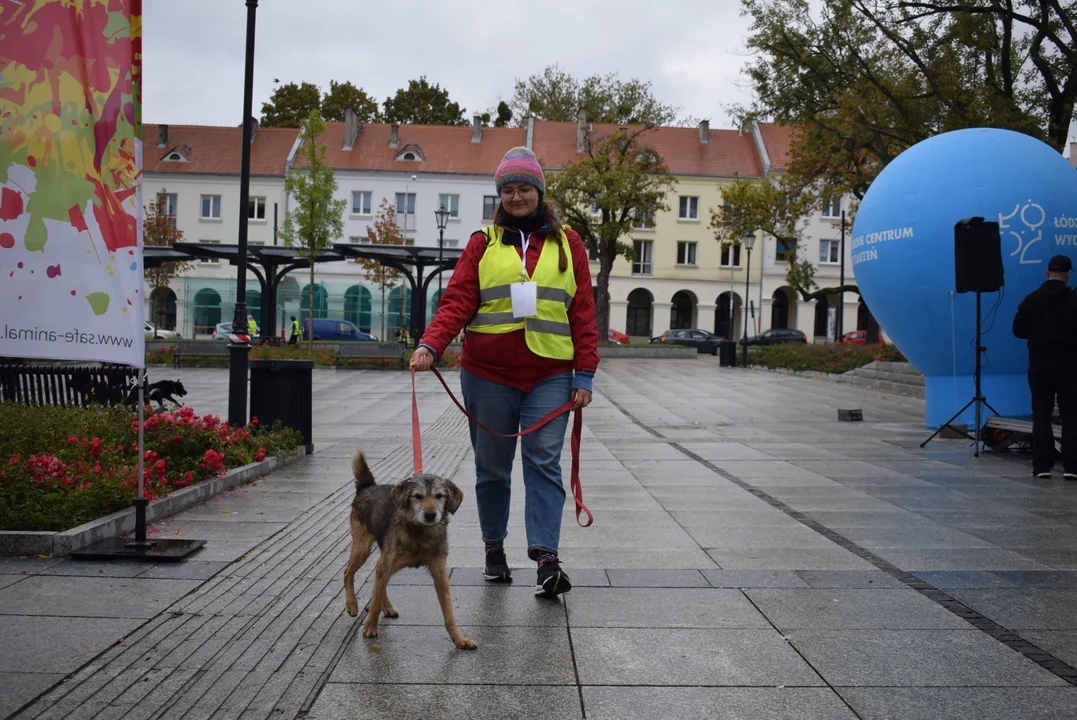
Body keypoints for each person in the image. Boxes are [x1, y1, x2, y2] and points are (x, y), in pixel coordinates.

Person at [410, 146, 599, 598]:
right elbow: (457, 299)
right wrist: (430, 343)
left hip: (551, 375)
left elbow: (584, 313)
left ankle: (546, 559)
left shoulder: (568, 242)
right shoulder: (483, 242)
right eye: (508, 190)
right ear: (500, 195)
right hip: (488, 374)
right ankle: (494, 550)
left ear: (539, 191)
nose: (517, 197)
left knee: (543, 463)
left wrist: (584, 374)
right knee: (492, 468)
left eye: (524, 188)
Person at [1012, 254, 1077, 479]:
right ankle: (1072, 467)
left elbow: (1018, 331)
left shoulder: (1031, 300)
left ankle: (1041, 466)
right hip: (1070, 365)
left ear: (1047, 272)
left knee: (1041, 414)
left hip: (1040, 364)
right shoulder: (1074, 300)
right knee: (1071, 415)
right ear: (1068, 274)